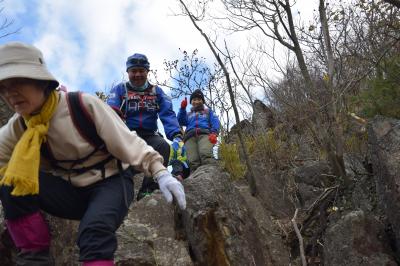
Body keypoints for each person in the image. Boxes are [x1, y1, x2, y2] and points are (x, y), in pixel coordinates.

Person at [0, 42, 186, 266]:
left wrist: (160, 171)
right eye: (3, 88)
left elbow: (131, 140)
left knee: (93, 232)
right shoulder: (19, 127)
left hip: (111, 182)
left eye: (17, 82)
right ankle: (34, 258)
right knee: (12, 179)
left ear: (42, 81)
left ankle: (146, 191)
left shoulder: (81, 105)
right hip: (69, 191)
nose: (10, 94)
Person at [107, 53, 184, 200]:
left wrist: (176, 135)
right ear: (128, 72)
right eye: (133, 71)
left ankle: (148, 189)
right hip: (127, 134)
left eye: (141, 71)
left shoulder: (157, 92)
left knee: (163, 146)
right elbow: (109, 111)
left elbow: (167, 113)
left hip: (150, 135)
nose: (137, 74)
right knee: (117, 159)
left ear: (147, 71)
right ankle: (121, 192)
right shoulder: (120, 90)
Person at [177, 89, 220, 171]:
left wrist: (214, 133)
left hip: (205, 135)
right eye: (194, 99)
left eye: (199, 99)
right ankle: (196, 179)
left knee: (205, 154)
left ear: (202, 101)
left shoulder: (208, 111)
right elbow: (180, 121)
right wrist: (182, 109)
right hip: (189, 138)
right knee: (193, 160)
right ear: (191, 102)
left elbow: (215, 121)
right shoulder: (188, 114)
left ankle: (212, 175)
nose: (196, 101)